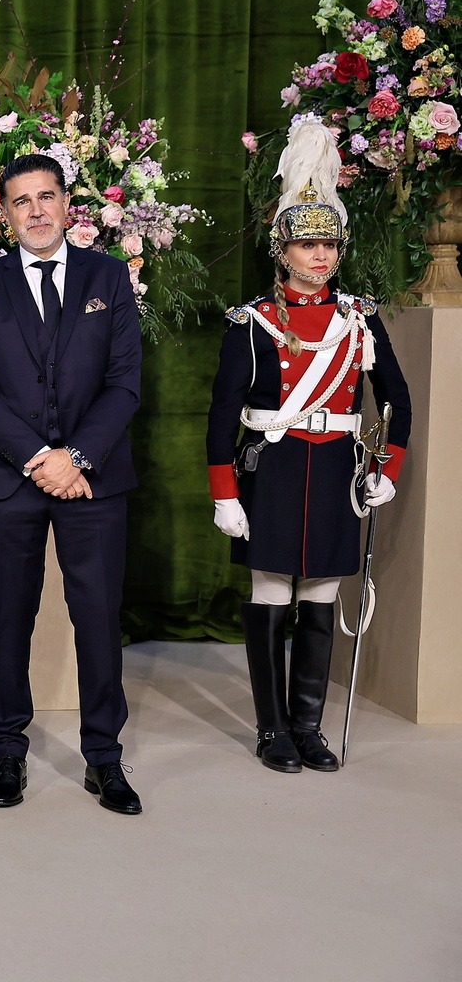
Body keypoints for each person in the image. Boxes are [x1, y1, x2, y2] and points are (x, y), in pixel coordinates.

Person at [207, 115, 410, 773]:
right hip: (275, 466)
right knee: (271, 592)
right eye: (307, 247)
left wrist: (391, 469)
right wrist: (224, 494)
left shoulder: (361, 317)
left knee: (321, 595)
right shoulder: (253, 322)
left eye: (330, 247)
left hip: (333, 472)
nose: (320, 257)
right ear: (283, 252)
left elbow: (397, 402)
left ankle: (309, 728)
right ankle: (272, 731)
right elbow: (219, 418)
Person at [0, 152, 144, 815]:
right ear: (4, 216)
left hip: (95, 482)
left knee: (96, 618)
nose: (35, 210)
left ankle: (105, 759)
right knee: (10, 617)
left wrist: (79, 458)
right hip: (10, 481)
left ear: (68, 204)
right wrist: (41, 456)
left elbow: (124, 383)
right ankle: (7, 753)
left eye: (46, 197)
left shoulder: (109, 277)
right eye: (20, 201)